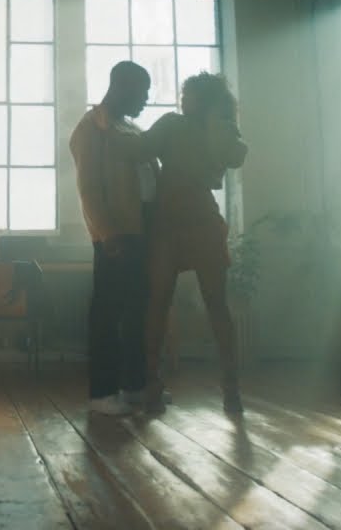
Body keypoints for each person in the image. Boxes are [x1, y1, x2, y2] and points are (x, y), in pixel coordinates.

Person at [107, 72, 249, 416]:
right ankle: (220, 390)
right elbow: (140, 149)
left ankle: (175, 387)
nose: (182, 99)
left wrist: (107, 130)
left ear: (203, 98)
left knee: (168, 304)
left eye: (188, 94)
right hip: (184, 220)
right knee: (197, 304)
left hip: (178, 221)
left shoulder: (197, 127)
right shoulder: (186, 126)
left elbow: (234, 156)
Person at [69, 61, 158, 415]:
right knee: (108, 312)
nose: (146, 100)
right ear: (121, 87)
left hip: (142, 230)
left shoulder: (129, 129)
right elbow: (88, 188)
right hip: (116, 233)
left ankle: (134, 386)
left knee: (137, 311)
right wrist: (106, 233)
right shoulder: (91, 129)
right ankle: (102, 394)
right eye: (142, 92)